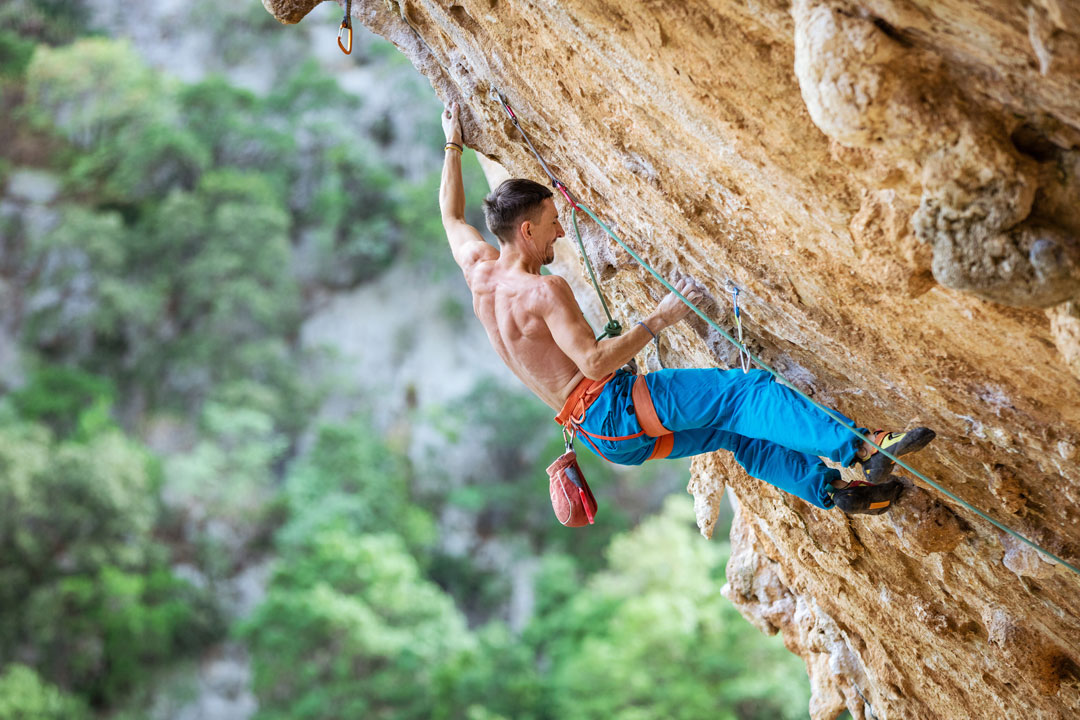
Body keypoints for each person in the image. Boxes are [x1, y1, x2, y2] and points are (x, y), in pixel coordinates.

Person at [438, 103, 933, 514]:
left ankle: (833, 491)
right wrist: (662, 316)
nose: (560, 233)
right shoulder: (543, 292)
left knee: (736, 434)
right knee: (745, 396)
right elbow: (593, 363)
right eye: (551, 222)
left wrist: (452, 144)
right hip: (616, 407)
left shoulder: (479, 272)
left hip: (605, 438)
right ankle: (865, 447)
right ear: (526, 231)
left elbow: (450, 214)